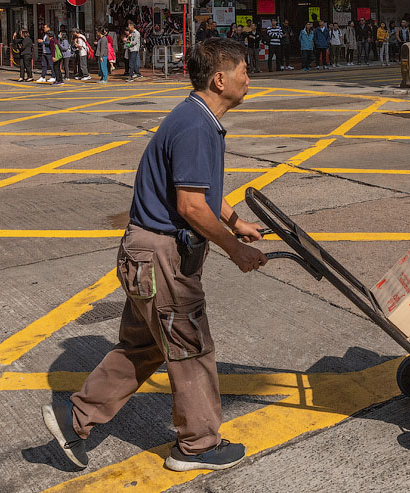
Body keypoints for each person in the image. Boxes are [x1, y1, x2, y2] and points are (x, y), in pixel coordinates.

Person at [41, 38, 267, 474]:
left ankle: (74, 420)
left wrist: (236, 222)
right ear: (220, 79)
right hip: (161, 259)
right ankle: (198, 447)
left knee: (142, 347)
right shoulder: (197, 126)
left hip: (146, 256)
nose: (248, 79)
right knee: (190, 349)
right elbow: (190, 206)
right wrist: (235, 249)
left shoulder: (197, 118)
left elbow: (200, 191)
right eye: (243, 71)